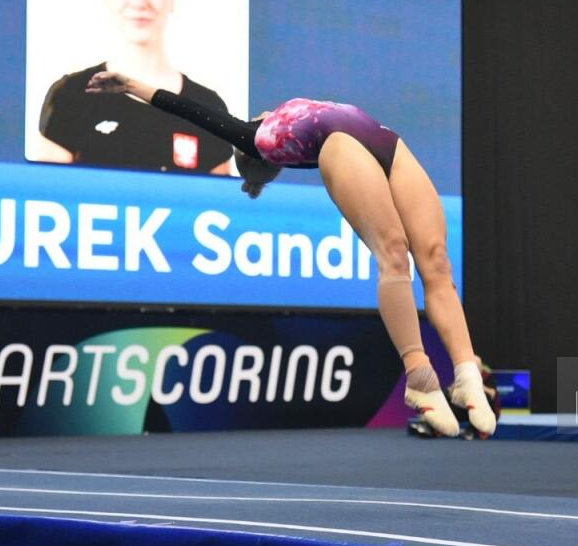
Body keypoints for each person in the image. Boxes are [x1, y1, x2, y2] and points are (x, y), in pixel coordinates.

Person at [85, 69, 497, 438]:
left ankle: (465, 373)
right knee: (394, 252)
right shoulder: (255, 137)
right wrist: (132, 86)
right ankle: (419, 375)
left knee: (437, 261)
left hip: (389, 145)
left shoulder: (293, 115)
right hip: (343, 146)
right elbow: (190, 110)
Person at [35, 0, 233, 174]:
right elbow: (42, 195)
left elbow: (222, 205)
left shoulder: (208, 107)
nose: (138, 1)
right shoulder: (70, 96)